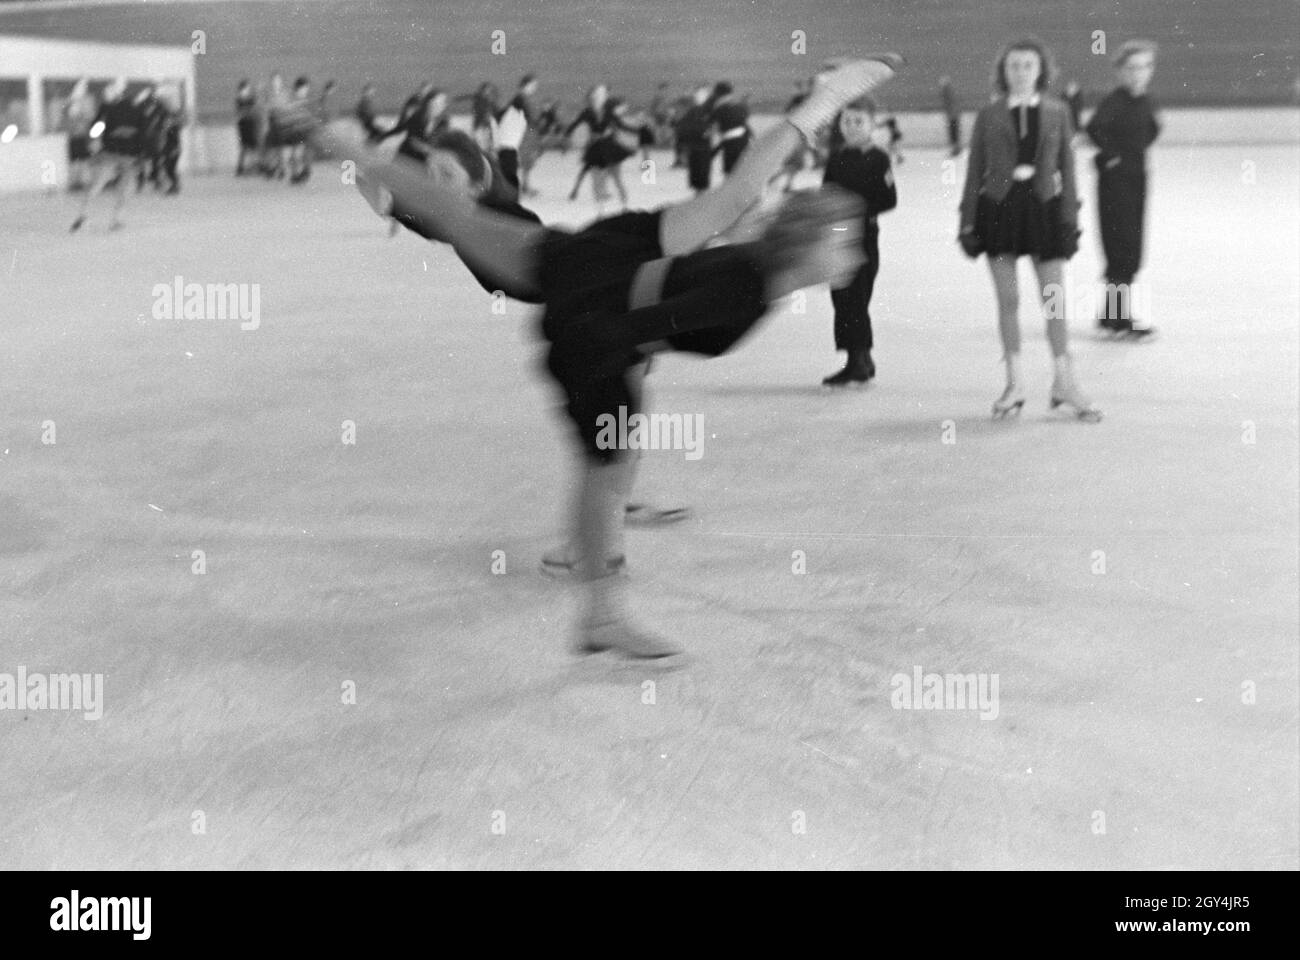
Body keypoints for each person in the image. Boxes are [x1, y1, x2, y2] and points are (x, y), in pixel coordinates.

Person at [281, 56, 900, 658]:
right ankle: (600, 603)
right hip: (588, 313)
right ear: (808, 245)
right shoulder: (746, 285)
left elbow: (739, 196)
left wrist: (828, 99)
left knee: (610, 454)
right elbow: (650, 315)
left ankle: (594, 553)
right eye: (842, 243)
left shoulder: (756, 270)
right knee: (605, 464)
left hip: (602, 269)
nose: (852, 255)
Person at [958, 37, 1100, 423]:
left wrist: (1070, 218)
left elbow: (1068, 170)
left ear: (1041, 71)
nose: (1020, 72)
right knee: (1008, 301)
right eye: (1013, 66)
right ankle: (1014, 383)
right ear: (1004, 72)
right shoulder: (989, 115)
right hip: (998, 209)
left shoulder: (1057, 112)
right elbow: (974, 172)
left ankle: (1064, 382)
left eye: (1028, 66)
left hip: (1044, 211)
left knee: (1054, 299)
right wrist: (967, 222)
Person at [1085, 40, 1160, 339]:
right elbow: (1094, 129)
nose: (1137, 74)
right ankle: (1117, 319)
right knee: (1121, 249)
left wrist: (1131, 157)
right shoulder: (1115, 101)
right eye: (1131, 68)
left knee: (1130, 249)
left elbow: (1152, 130)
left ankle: (1109, 315)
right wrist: (1112, 157)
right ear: (1119, 71)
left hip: (1136, 180)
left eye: (1143, 67)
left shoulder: (1145, 101)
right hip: (1116, 185)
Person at [821, 95, 897, 386]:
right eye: (847, 121)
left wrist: (857, 209)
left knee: (856, 297)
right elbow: (826, 192)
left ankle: (858, 361)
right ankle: (861, 357)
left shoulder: (878, 158)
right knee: (842, 296)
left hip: (863, 233)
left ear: (872, 124)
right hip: (838, 234)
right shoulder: (837, 157)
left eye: (858, 121)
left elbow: (889, 199)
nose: (851, 127)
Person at [70, 78, 146, 232]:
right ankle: (117, 219)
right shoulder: (137, 109)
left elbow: (96, 127)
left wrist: (93, 140)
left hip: (110, 153)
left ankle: (83, 216)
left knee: (97, 184)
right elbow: (143, 134)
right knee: (124, 188)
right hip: (130, 155)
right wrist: (141, 155)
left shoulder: (107, 108)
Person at [675, 85, 714, 193]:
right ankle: (700, 197)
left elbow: (681, 128)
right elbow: (682, 128)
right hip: (699, 147)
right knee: (700, 176)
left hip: (698, 147)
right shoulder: (696, 111)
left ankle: (699, 196)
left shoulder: (700, 111)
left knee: (699, 177)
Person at [710, 81, 751, 175]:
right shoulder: (740, 105)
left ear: (717, 94)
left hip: (730, 142)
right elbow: (744, 121)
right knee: (741, 168)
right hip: (744, 139)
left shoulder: (719, 107)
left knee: (730, 171)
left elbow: (714, 128)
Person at [65, 78, 97, 191]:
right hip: (76, 137)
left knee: (82, 160)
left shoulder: (83, 103)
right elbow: (71, 118)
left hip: (81, 137)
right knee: (77, 161)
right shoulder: (73, 103)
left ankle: (82, 182)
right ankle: (75, 182)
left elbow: (89, 118)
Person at [236, 79, 260, 174]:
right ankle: (241, 167)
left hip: (250, 124)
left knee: (252, 147)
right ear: (242, 89)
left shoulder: (250, 99)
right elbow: (242, 112)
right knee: (245, 147)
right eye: (246, 88)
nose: (247, 90)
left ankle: (251, 166)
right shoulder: (239, 99)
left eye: (248, 88)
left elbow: (254, 105)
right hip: (243, 125)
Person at [939, 75, 961, 155]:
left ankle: (955, 149)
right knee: (954, 132)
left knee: (953, 133)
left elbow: (948, 104)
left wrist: (949, 115)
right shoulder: (950, 91)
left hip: (952, 115)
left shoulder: (947, 92)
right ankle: (956, 149)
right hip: (954, 114)